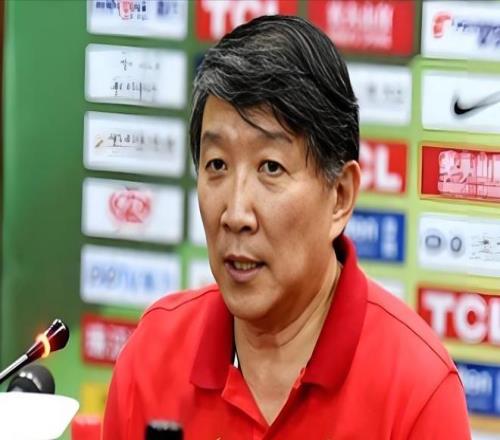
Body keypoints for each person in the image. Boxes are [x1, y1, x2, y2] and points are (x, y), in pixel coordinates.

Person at [103, 15, 471, 439]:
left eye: (271, 168)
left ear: (340, 196)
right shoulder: (152, 355)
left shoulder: (417, 387)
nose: (236, 214)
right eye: (217, 164)